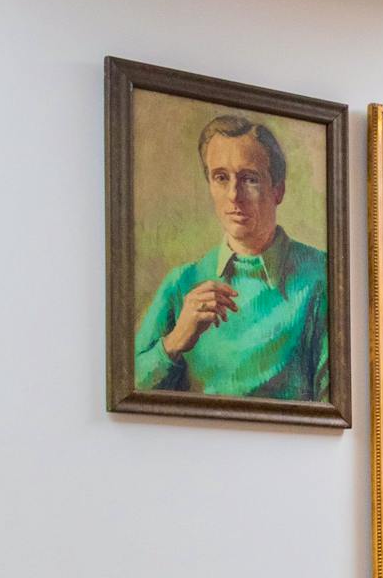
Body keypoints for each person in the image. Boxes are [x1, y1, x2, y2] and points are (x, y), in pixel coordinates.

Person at [131, 113, 330, 400]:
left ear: (278, 190)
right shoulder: (182, 282)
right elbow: (126, 387)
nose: (234, 195)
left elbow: (333, 402)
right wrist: (174, 341)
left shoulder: (321, 275)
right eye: (221, 178)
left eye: (250, 179)